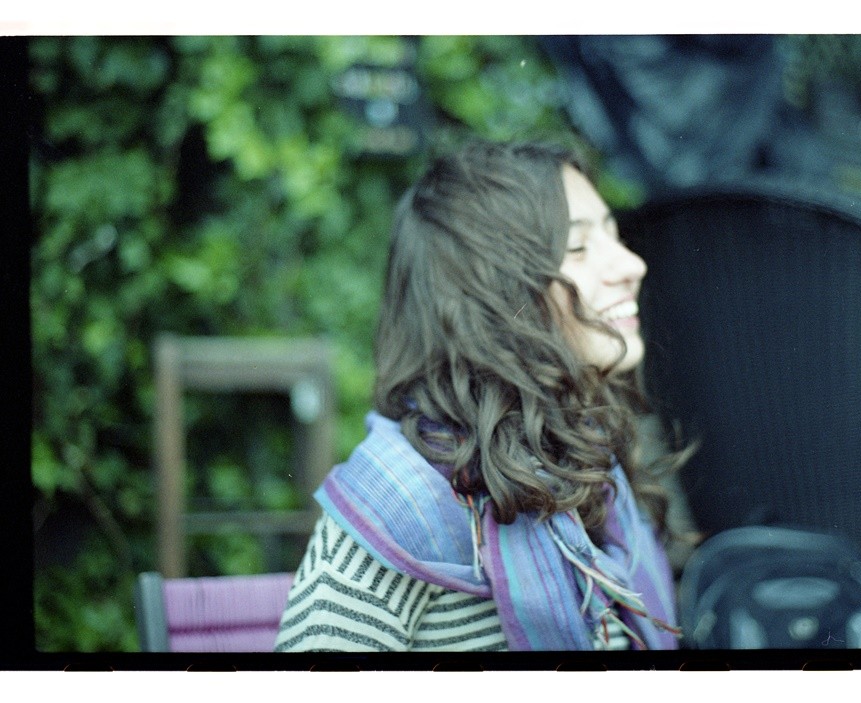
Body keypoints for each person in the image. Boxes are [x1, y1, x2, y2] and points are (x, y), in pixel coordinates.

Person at [274, 140, 686, 652]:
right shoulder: (404, 504)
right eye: (578, 247)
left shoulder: (592, 456)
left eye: (613, 234)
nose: (632, 264)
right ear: (494, 291)